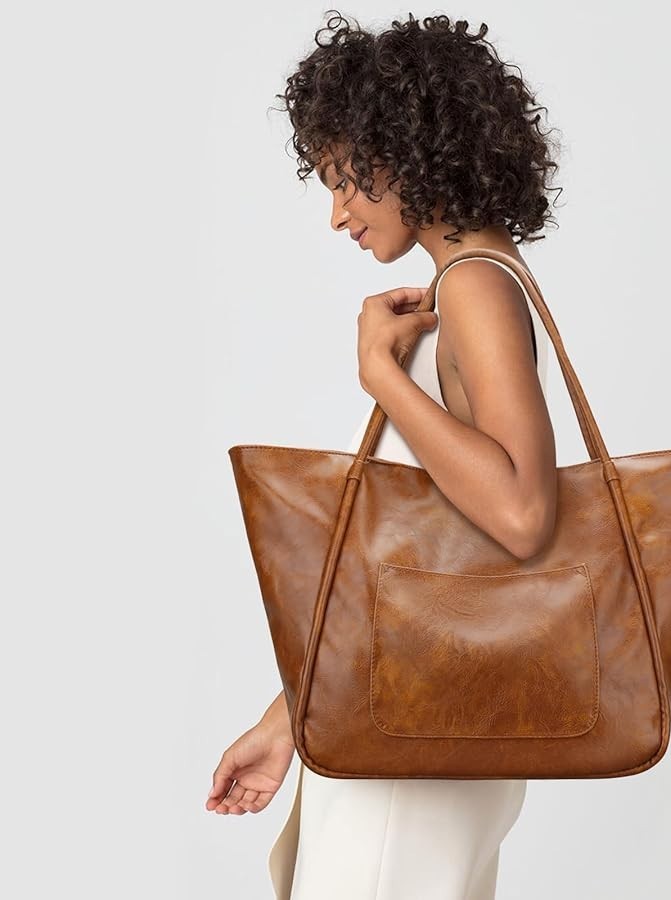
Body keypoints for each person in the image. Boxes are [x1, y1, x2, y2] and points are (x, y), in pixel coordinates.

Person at [206, 10, 564, 899]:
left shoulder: (476, 286)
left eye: (345, 182)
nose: (337, 215)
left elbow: (521, 516)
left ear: (406, 152)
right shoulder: (471, 280)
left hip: (415, 744)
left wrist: (381, 377)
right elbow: (435, 562)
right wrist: (289, 718)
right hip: (413, 721)